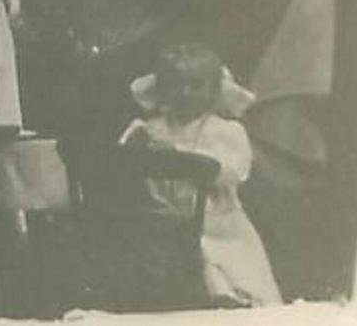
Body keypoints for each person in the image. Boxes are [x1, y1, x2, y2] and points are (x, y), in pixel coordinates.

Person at [118, 42, 282, 308]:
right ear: (162, 89)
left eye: (196, 85)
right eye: (175, 84)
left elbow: (234, 171)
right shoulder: (148, 130)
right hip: (162, 225)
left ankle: (231, 299)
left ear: (214, 90)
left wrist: (177, 154)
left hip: (217, 225)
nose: (185, 93)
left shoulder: (225, 132)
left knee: (229, 276)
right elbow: (126, 168)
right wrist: (141, 149)